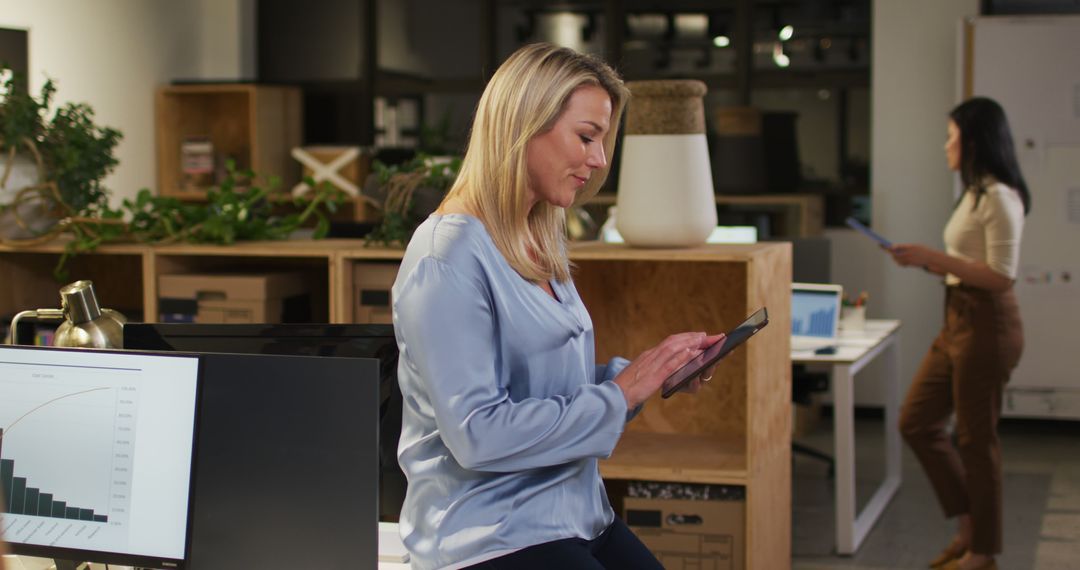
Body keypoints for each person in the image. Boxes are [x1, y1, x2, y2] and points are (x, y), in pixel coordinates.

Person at [390, 43, 723, 570]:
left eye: (603, 141)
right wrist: (619, 394)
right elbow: (478, 434)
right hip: (490, 533)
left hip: (578, 513)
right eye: (587, 137)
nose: (599, 160)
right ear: (523, 125)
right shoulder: (445, 258)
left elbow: (543, 386)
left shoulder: (537, 235)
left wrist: (645, 374)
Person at [892, 97, 1030, 570]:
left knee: (975, 439)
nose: (946, 144)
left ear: (973, 141)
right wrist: (929, 263)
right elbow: (968, 266)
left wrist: (933, 257)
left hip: (987, 323)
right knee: (916, 420)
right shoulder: (973, 193)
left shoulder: (999, 196)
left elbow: (1001, 276)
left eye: (952, 136)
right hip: (958, 318)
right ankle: (969, 526)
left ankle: (982, 551)